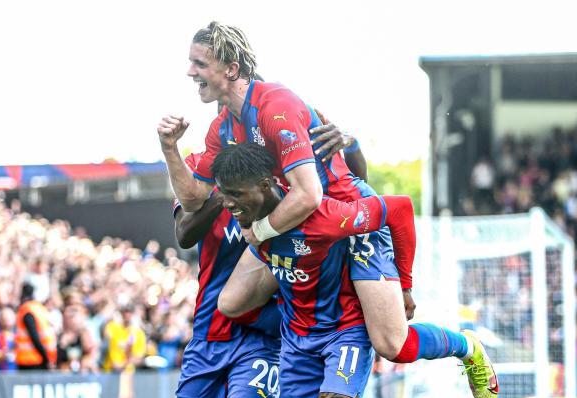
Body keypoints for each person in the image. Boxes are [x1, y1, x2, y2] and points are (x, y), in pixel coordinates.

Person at [156, 21, 425, 376]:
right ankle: (319, 330)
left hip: (343, 218)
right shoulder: (222, 128)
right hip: (295, 223)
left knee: (392, 345)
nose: (190, 72)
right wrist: (170, 149)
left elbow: (312, 194)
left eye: (199, 64)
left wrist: (260, 232)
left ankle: (464, 346)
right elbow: (193, 203)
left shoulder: (276, 106)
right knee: (231, 303)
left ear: (232, 69)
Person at [212, 143, 499, 398]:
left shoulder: (325, 216)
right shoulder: (251, 222)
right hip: (299, 334)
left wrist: (405, 284)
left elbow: (399, 208)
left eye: (235, 194)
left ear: (265, 185)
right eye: (224, 193)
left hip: (344, 327)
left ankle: (466, 346)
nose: (227, 203)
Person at [171, 152, 281, 398]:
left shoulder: (279, 166)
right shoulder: (197, 168)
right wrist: (225, 190)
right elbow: (184, 235)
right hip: (209, 333)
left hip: (260, 337)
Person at [15, 282, 57, 371]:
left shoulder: (27, 310)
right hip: (42, 358)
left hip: (31, 360)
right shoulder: (40, 309)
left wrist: (46, 358)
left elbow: (34, 336)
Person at [102, 304, 146, 373]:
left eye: (129, 312)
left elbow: (138, 357)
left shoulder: (138, 333)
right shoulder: (113, 327)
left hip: (127, 372)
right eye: (125, 312)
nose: (127, 314)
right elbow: (105, 335)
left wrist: (122, 364)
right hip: (109, 369)